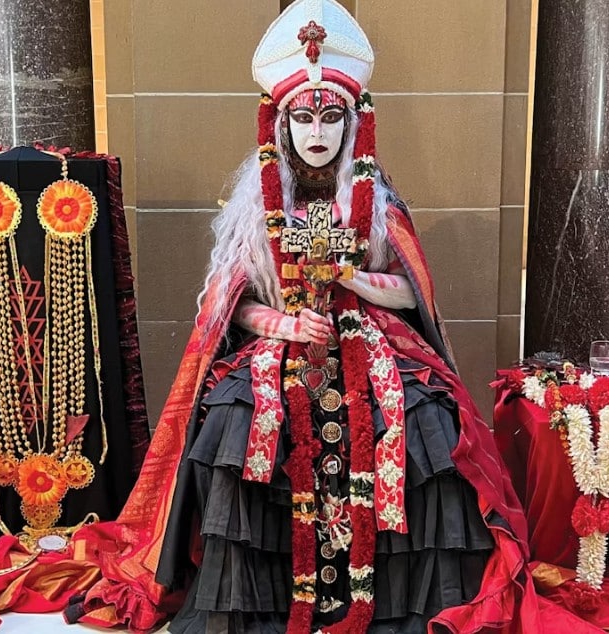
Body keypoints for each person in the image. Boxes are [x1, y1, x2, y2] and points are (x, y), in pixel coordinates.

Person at [77, 1, 547, 632]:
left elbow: (413, 293)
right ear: (282, 124)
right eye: (304, 118)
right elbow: (233, 305)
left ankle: (399, 598)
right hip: (280, 344)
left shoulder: (376, 202)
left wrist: (353, 279)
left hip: (372, 341)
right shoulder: (255, 209)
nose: (317, 132)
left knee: (426, 419)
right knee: (237, 422)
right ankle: (263, 600)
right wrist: (289, 326)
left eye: (331, 118)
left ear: (352, 125)